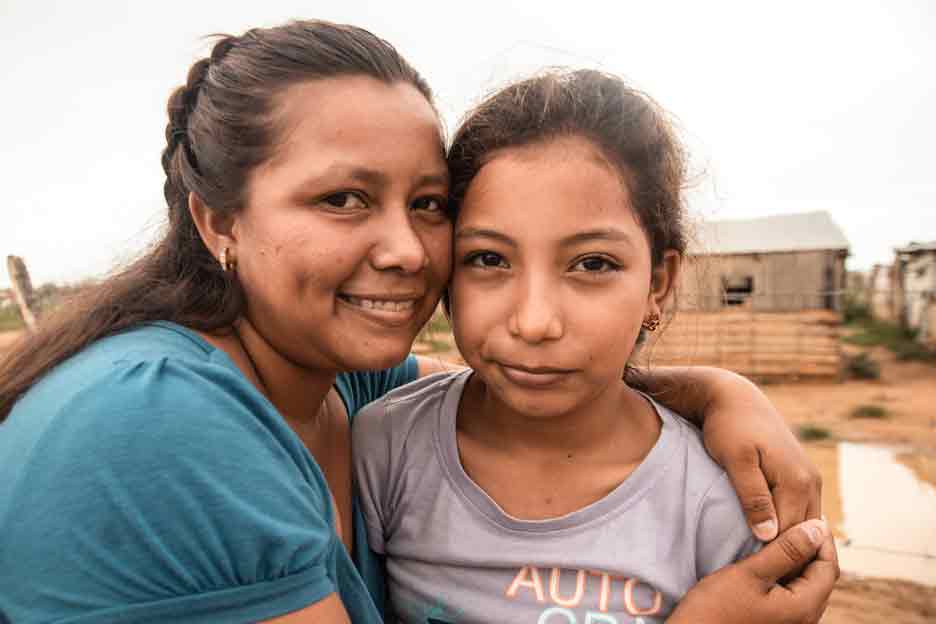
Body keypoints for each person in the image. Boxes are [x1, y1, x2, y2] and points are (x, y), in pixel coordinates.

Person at [0, 20, 835, 624]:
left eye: (429, 204)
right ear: (219, 221)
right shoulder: (156, 426)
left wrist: (717, 393)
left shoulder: (334, 385)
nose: (406, 249)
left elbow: (504, 380)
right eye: (343, 198)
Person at [351, 69, 837, 624]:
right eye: (488, 259)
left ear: (658, 283)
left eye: (592, 264)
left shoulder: (724, 500)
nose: (534, 322)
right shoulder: (387, 449)